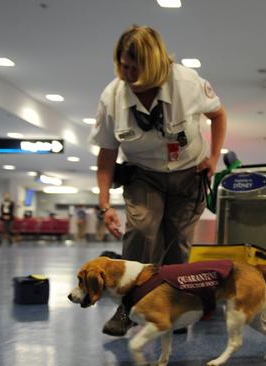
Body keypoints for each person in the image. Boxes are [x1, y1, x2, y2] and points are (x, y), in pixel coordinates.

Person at [89, 25, 227, 336]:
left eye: (134, 67)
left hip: (189, 174)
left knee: (177, 242)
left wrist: (214, 158)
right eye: (123, 65)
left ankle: (174, 307)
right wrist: (103, 204)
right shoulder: (112, 97)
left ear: (153, 64)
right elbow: (107, 153)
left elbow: (218, 115)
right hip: (143, 176)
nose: (127, 73)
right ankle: (128, 309)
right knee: (142, 231)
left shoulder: (187, 82)